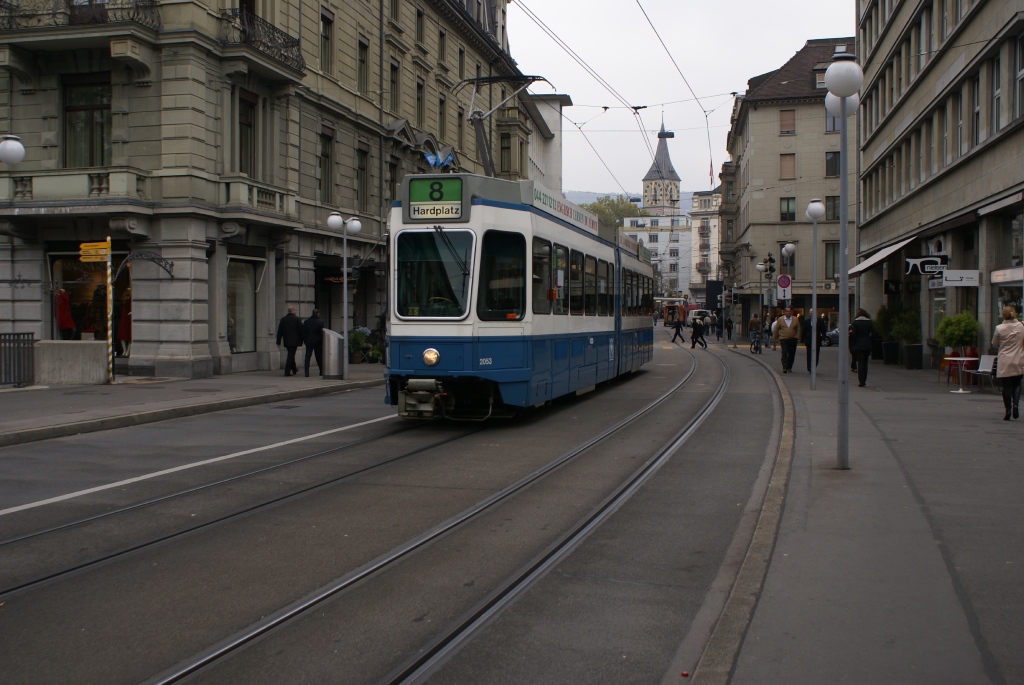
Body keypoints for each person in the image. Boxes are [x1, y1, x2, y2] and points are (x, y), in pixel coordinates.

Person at [992, 306, 1024, 420]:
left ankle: (1008, 410)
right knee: (1017, 383)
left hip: (1004, 360)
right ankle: (1016, 405)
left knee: (1006, 386)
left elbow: (994, 343)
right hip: (1018, 359)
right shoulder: (1021, 326)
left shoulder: (999, 328)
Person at [850, 308, 875, 387]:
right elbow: (874, 333)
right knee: (865, 362)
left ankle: (861, 381)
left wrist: (854, 341)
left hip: (858, 344)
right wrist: (869, 339)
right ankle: (864, 379)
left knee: (860, 362)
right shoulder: (869, 322)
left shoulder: (855, 322)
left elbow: (854, 335)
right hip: (867, 344)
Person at [276, 305, 303, 376]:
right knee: (291, 355)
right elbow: (301, 330)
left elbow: (280, 331)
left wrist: (278, 341)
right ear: (293, 311)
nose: (296, 311)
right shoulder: (297, 319)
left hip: (287, 340)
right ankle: (287, 371)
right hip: (295, 341)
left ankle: (294, 369)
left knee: (291, 354)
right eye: (295, 310)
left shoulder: (283, 319)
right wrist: (303, 339)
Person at [772, 306, 801, 373]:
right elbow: (776, 329)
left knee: (791, 353)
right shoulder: (780, 319)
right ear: (784, 312)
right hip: (783, 338)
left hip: (792, 339)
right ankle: (784, 367)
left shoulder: (795, 319)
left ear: (791, 312)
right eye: (787, 311)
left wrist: (797, 337)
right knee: (784, 352)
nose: (788, 312)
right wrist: (774, 338)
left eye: (789, 311)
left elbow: (798, 328)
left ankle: (789, 367)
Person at [302, 308, 326, 377]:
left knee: (307, 357)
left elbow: (303, 332)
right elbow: (321, 333)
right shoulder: (320, 322)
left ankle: (306, 372)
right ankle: (321, 371)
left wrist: (305, 340)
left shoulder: (306, 322)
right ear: (318, 314)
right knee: (318, 357)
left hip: (309, 341)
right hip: (317, 342)